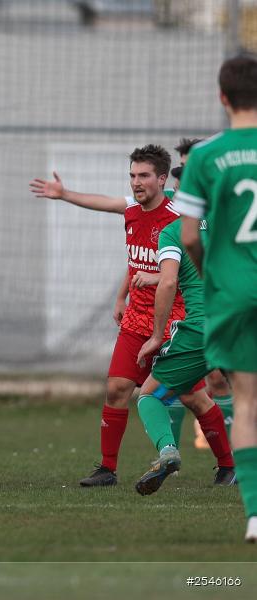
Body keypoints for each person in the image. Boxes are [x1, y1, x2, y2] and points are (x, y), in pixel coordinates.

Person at [29, 145, 203, 486]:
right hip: (137, 319)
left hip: (174, 319)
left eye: (143, 176)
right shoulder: (132, 211)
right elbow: (125, 240)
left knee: (194, 395)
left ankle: (227, 465)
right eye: (132, 176)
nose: (136, 183)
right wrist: (64, 195)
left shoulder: (177, 218)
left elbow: (183, 269)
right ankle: (107, 469)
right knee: (116, 389)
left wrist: (157, 278)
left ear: (163, 179)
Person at [175, 54, 257, 542]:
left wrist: (212, 275)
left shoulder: (205, 157)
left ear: (222, 97)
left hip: (233, 291)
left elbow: (188, 238)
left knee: (246, 402)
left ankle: (254, 515)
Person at [130, 216, 235, 495]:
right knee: (201, 396)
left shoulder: (175, 230)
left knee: (150, 394)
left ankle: (167, 450)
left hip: (204, 327)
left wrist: (156, 336)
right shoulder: (234, 218)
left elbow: (168, 283)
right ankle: (229, 467)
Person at [168, 138, 235, 449]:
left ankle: (230, 448)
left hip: (220, 304)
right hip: (195, 308)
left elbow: (193, 244)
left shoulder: (217, 204)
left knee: (226, 379)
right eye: (181, 167)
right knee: (200, 383)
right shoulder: (173, 205)